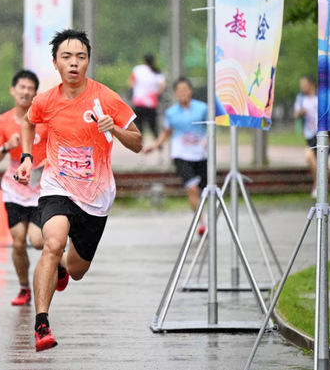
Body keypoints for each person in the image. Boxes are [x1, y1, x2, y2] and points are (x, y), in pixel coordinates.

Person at [15, 29, 142, 352]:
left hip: (95, 195)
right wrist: (27, 157)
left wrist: (115, 129)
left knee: (76, 270)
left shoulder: (106, 99)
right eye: (67, 57)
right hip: (57, 186)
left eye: (81, 57)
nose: (74, 63)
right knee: (52, 243)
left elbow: (138, 142)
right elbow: (28, 121)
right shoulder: (45, 101)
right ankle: (41, 324)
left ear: (88, 62)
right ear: (55, 63)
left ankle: (62, 267)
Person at [0, 69, 48, 306]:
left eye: (30, 88)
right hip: (14, 187)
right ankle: (24, 288)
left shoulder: (44, 120)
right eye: (21, 87)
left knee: (38, 240)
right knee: (19, 240)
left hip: (41, 186)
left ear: (36, 93)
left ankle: (59, 265)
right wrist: (6, 147)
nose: (25, 92)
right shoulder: (2, 121)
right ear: (13, 90)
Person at [142, 77, 208, 235]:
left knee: (204, 190)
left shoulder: (203, 108)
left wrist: (207, 140)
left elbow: (210, 127)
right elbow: (166, 132)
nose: (182, 93)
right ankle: (201, 223)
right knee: (192, 188)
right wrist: (154, 146)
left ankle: (205, 215)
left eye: (185, 89)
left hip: (200, 154)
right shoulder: (171, 113)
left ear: (190, 90)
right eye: (179, 90)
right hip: (181, 155)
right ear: (175, 93)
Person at [294, 74, 330, 202]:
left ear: (311, 84)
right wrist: (301, 113)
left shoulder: (320, 98)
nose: (302, 87)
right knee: (322, 162)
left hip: (321, 134)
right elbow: (295, 115)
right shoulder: (301, 99)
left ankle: (317, 184)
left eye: (304, 84)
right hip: (309, 136)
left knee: (311, 157)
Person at [128, 54, 166, 143]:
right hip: (151, 103)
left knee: (139, 125)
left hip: (139, 102)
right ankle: (158, 142)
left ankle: (139, 143)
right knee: (153, 125)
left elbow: (130, 83)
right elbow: (162, 85)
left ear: (144, 61)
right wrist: (157, 94)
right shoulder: (157, 72)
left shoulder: (137, 69)